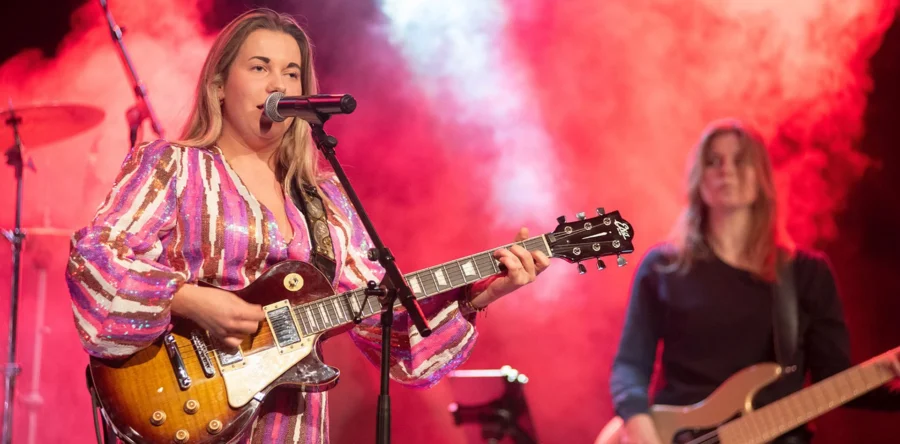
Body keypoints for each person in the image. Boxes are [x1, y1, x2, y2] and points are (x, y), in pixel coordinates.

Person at [65, 8, 549, 443]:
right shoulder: (173, 165)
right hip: (180, 406)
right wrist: (190, 299)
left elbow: (388, 330)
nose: (278, 84)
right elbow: (95, 258)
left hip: (291, 426)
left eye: (291, 72)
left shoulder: (326, 201)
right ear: (219, 85)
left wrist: (477, 294)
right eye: (260, 68)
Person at [601, 119, 900, 444]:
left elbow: (835, 381)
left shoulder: (806, 273)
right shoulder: (663, 268)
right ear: (698, 180)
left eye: (741, 160)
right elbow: (629, 366)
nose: (726, 170)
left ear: (761, 177)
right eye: (713, 161)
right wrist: (640, 429)